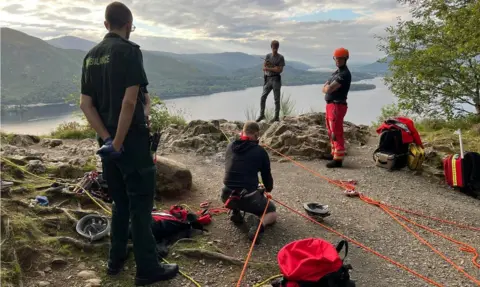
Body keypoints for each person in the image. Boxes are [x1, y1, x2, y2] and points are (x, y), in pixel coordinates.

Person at [79, 2, 179, 285]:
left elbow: (86, 105)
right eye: (131, 28)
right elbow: (130, 101)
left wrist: (109, 140)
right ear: (127, 25)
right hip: (132, 142)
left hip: (106, 144)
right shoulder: (130, 52)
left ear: (105, 24)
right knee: (140, 203)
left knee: (119, 201)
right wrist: (121, 141)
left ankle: (115, 259)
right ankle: (148, 268)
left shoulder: (90, 56)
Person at [221, 121, 277, 243]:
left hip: (226, 196)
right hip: (248, 198)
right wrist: (267, 189)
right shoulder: (260, 151)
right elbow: (267, 178)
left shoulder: (230, 146)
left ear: (242, 132)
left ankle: (235, 211)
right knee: (272, 212)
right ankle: (259, 227)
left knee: (237, 186)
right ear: (257, 135)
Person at [322, 47, 352, 168]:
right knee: (330, 130)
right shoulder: (337, 73)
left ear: (346, 59)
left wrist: (327, 88)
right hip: (331, 104)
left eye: (340, 58)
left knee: (336, 131)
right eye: (336, 58)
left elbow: (328, 88)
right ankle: (334, 153)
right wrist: (326, 88)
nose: (338, 60)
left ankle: (338, 159)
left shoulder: (344, 74)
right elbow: (325, 86)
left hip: (337, 105)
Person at [256, 40, 286, 123]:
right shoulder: (268, 56)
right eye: (273, 48)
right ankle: (262, 115)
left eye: (276, 48)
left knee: (276, 99)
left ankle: (276, 117)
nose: (275, 49)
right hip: (268, 79)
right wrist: (272, 68)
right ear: (271, 47)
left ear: (278, 47)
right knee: (263, 97)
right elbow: (264, 66)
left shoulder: (280, 57)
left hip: (276, 79)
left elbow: (280, 70)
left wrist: (269, 68)